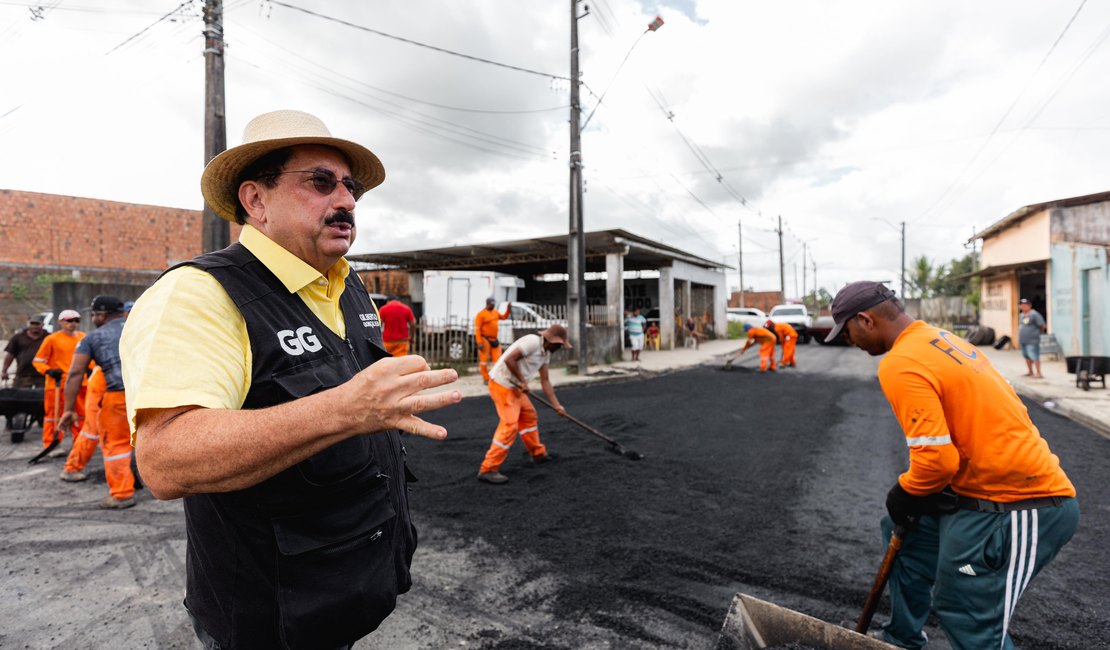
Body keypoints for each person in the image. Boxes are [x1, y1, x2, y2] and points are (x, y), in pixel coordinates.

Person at [119, 109, 461, 648]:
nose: (346, 201)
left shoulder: (348, 286)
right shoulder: (200, 294)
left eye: (351, 188)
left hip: (340, 594)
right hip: (268, 615)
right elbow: (164, 459)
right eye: (321, 183)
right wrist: (344, 410)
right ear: (255, 201)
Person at [826, 281, 1078, 650]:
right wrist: (918, 497)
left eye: (846, 332)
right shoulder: (940, 339)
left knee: (966, 609)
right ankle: (901, 639)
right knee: (904, 533)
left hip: (1026, 503)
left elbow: (936, 460)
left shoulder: (900, 361)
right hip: (979, 490)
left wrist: (906, 491)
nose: (850, 342)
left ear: (865, 320)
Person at [58, 295, 136, 509]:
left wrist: (68, 409)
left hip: (118, 395)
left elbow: (75, 373)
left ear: (101, 315)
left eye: (93, 315)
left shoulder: (93, 338)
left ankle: (122, 494)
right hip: (151, 392)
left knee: (116, 444)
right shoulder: (140, 328)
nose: (92, 319)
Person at [477, 324, 570, 484]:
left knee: (529, 416)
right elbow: (509, 359)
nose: (560, 348)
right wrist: (522, 381)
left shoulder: (545, 354)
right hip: (502, 384)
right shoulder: (532, 342)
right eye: (560, 345)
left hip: (516, 387)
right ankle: (488, 468)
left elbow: (545, 380)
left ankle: (538, 454)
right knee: (510, 425)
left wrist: (557, 405)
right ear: (552, 341)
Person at [32, 309, 86, 454]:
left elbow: (90, 360)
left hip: (81, 384)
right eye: (69, 321)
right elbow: (38, 361)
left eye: (76, 321)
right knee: (53, 416)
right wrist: (48, 371)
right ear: (60, 322)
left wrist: (91, 369)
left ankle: (79, 444)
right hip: (57, 385)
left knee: (81, 416)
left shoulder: (83, 338)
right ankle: (51, 444)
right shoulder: (52, 339)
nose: (73, 324)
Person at [2, 314, 47, 388]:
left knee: (42, 398)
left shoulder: (48, 338)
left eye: (37, 324)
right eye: (32, 323)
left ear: (42, 324)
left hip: (42, 376)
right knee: (19, 397)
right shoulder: (18, 337)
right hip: (23, 375)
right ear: (28, 324)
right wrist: (4, 371)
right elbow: (10, 354)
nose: (34, 326)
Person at [474, 296, 510, 384]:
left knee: (497, 360)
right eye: (491, 304)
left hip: (494, 340)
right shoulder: (481, 314)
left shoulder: (495, 312)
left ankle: (496, 378)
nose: (493, 306)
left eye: (494, 304)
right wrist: (479, 342)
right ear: (487, 304)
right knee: (484, 360)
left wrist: (508, 309)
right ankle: (486, 378)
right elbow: (477, 329)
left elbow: (504, 317)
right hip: (484, 340)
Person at [1018, 298, 1047, 379]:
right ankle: (1030, 371)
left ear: (1029, 306)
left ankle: (1038, 373)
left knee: (1034, 356)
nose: (1023, 306)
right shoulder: (1021, 315)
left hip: (1032, 340)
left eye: (1025, 305)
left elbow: (1042, 325)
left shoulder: (1034, 314)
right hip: (1023, 340)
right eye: (1022, 305)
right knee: (1026, 356)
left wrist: (1037, 333)